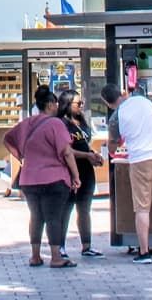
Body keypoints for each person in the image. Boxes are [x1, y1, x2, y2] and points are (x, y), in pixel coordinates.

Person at [102, 83, 152, 263]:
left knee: (142, 208)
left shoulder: (116, 118)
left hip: (140, 160)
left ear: (108, 103)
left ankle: (144, 252)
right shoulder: (144, 101)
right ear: (122, 93)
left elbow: (113, 146)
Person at [5, 86, 81, 268]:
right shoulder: (56, 124)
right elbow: (67, 152)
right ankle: (56, 257)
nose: (57, 106)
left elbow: (8, 138)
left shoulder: (27, 123)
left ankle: (35, 256)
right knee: (54, 217)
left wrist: (21, 156)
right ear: (49, 105)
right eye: (55, 103)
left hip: (29, 179)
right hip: (54, 178)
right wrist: (76, 176)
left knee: (36, 217)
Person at [59, 90, 105, 257]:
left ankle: (87, 245)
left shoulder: (82, 122)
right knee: (66, 208)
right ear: (67, 105)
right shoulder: (61, 124)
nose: (81, 106)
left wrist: (93, 155)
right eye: (78, 104)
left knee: (84, 208)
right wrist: (87, 155)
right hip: (70, 170)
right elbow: (66, 150)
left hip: (86, 170)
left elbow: (84, 144)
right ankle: (60, 246)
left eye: (82, 103)